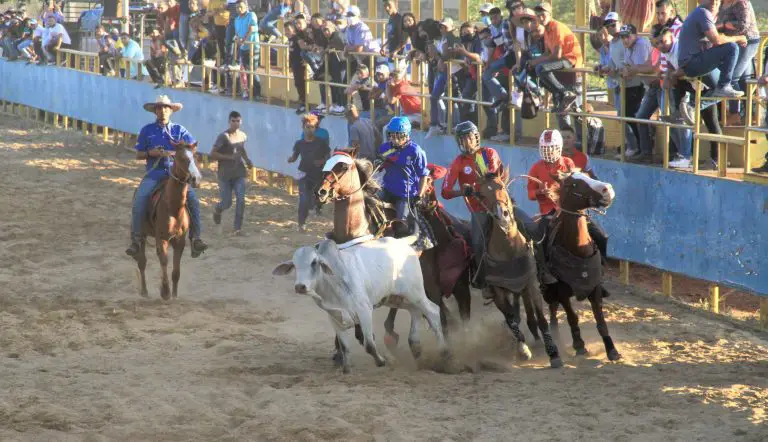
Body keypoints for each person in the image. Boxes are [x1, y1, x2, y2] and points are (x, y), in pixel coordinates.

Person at [126, 96, 208, 258]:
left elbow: (192, 149)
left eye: (166, 108)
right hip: (155, 175)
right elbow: (139, 154)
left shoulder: (180, 130)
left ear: (171, 111)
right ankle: (136, 238)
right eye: (159, 108)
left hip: (176, 177)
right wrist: (151, 153)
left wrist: (174, 153)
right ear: (155, 111)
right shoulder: (147, 130)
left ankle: (195, 238)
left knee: (193, 201)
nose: (162, 111)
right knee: (140, 199)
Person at [528, 129, 609, 260]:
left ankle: (600, 266)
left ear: (558, 148)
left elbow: (574, 184)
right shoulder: (535, 168)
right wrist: (540, 192)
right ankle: (543, 268)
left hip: (572, 210)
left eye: (551, 148)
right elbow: (530, 195)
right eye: (545, 148)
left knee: (601, 236)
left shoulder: (568, 163)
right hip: (549, 213)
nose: (548, 151)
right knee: (540, 240)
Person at [677, 0, 747, 98]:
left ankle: (690, 106)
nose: (714, 1)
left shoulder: (699, 13)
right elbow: (716, 40)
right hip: (693, 63)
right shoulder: (702, 13)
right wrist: (739, 38)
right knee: (732, 47)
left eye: (717, 0)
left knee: (719, 88)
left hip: (690, 63)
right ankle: (723, 87)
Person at [377, 116, 429, 221]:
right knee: (370, 206)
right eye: (392, 135)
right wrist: (378, 163)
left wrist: (419, 195)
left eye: (398, 136)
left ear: (406, 135)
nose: (394, 139)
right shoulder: (385, 148)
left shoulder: (415, 151)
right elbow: (380, 164)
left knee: (402, 224)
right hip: (387, 189)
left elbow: (423, 175)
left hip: (405, 194)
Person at [211, 111, 253, 235]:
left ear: (241, 122)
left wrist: (247, 160)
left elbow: (241, 149)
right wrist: (230, 157)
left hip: (239, 172)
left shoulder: (243, 136)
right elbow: (212, 153)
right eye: (233, 121)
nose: (235, 123)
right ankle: (218, 209)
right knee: (227, 203)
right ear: (229, 122)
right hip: (225, 175)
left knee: (241, 199)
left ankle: (237, 228)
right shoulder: (223, 136)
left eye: (238, 121)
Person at [288, 113, 330, 232]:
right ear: (303, 127)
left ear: (315, 128)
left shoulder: (321, 142)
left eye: (312, 127)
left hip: (318, 175)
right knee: (303, 199)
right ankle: (301, 223)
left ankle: (315, 207)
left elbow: (328, 156)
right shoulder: (299, 143)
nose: (309, 129)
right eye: (307, 127)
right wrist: (291, 159)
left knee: (314, 199)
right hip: (304, 174)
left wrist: (322, 161)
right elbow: (295, 156)